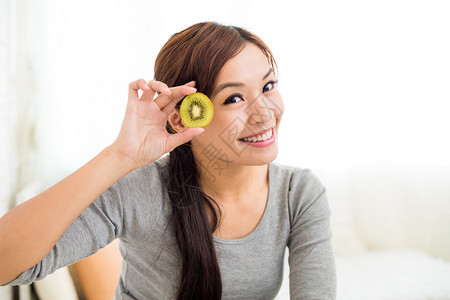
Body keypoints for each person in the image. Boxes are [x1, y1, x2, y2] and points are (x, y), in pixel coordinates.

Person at [0, 22, 336, 299]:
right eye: (234, 98)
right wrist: (120, 156)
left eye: (268, 86)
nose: (265, 114)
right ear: (184, 118)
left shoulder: (299, 193)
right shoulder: (140, 192)